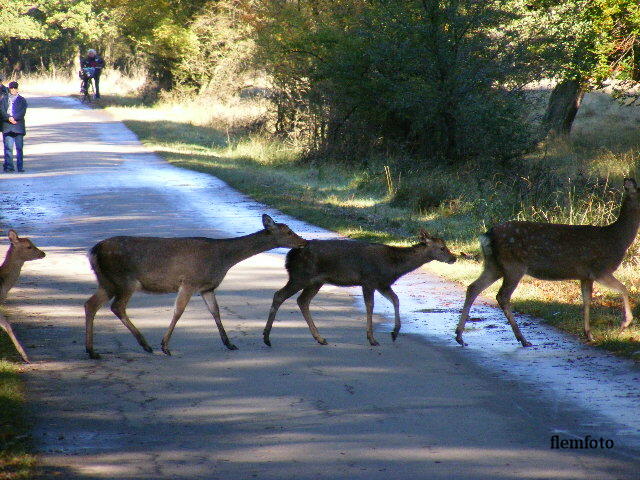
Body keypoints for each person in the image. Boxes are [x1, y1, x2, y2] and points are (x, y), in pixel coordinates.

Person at [2, 82, 27, 173]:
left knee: (19, 148)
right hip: (7, 127)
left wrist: (14, 118)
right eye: (11, 88)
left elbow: (22, 112)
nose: (13, 90)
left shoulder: (22, 100)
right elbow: (2, 111)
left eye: (14, 88)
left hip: (18, 126)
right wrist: (8, 118)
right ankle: (9, 167)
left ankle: (20, 167)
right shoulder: (4, 99)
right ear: (9, 89)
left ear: (17, 89)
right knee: (8, 148)